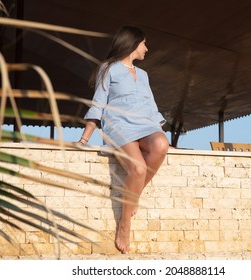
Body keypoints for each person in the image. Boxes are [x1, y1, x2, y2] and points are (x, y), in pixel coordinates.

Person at [77, 25, 169, 254]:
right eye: (144, 43)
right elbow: (98, 102)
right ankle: (125, 223)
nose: (147, 48)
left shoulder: (144, 75)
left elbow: (151, 106)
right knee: (137, 169)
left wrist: (159, 131)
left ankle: (132, 195)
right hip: (119, 124)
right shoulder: (108, 69)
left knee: (161, 144)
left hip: (145, 124)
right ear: (133, 43)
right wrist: (84, 137)